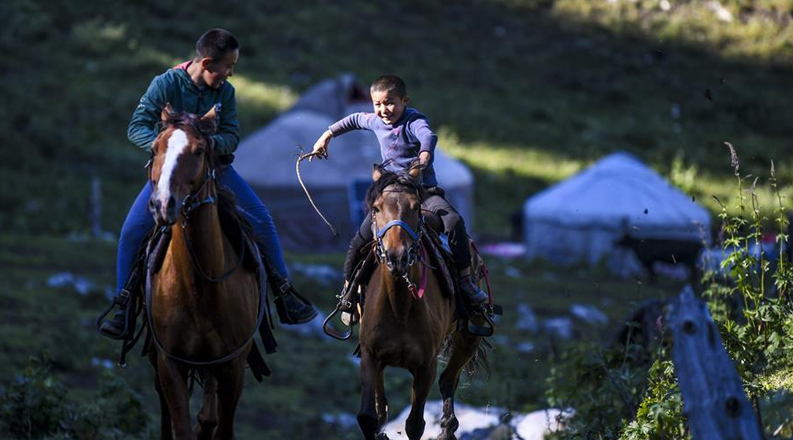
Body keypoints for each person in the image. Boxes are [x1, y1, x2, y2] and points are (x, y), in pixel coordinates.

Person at [99, 29, 316, 339]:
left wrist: (204, 145)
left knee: (262, 221)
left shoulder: (225, 92)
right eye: (228, 66)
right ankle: (123, 306)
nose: (230, 73)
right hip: (173, 172)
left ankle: (285, 293)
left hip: (215, 169)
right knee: (132, 230)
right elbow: (137, 127)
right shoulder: (166, 84)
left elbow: (231, 136)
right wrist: (170, 146)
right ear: (207, 62)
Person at [310, 74, 489, 317]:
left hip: (422, 193)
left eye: (390, 102)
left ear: (405, 101)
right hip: (391, 194)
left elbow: (427, 135)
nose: (384, 109)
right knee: (359, 241)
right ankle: (348, 292)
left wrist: (425, 153)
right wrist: (326, 136)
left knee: (455, 222)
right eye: (378, 104)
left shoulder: (414, 119)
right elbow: (351, 120)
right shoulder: (374, 121)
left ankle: (465, 281)